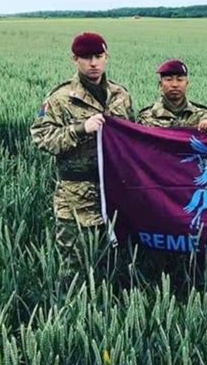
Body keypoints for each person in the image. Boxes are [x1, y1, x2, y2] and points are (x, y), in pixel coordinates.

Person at [30, 32, 134, 266]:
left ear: (107, 57)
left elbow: (133, 136)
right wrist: (80, 129)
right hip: (76, 198)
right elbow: (42, 137)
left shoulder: (121, 95)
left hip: (116, 193)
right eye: (86, 57)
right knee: (75, 268)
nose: (93, 63)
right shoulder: (60, 98)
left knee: (115, 264)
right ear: (74, 59)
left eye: (98, 56)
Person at [137, 59, 207, 130]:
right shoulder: (147, 117)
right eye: (169, 79)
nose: (175, 85)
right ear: (160, 85)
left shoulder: (203, 115)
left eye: (180, 80)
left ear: (187, 84)